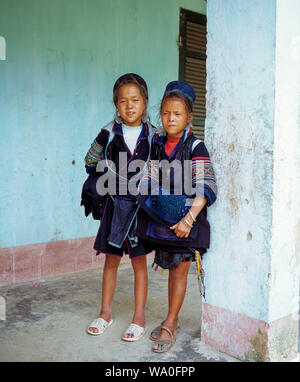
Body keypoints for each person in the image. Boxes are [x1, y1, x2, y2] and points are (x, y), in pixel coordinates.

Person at [135, 80, 217, 353]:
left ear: (189, 117)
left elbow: (204, 187)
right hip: (164, 219)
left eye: (178, 114)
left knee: (180, 272)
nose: (171, 119)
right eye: (166, 113)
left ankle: (170, 322)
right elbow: (149, 174)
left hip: (185, 222)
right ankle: (174, 318)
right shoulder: (158, 143)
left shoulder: (195, 147)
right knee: (171, 270)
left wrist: (188, 220)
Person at [84, 73, 155, 341]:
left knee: (139, 263)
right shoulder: (108, 133)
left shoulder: (153, 135)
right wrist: (105, 173)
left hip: (139, 210)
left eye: (135, 100)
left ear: (145, 102)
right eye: (123, 101)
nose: (129, 106)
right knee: (111, 262)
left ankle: (139, 318)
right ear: (116, 104)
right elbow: (90, 161)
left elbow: (160, 169)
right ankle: (105, 314)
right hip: (114, 207)